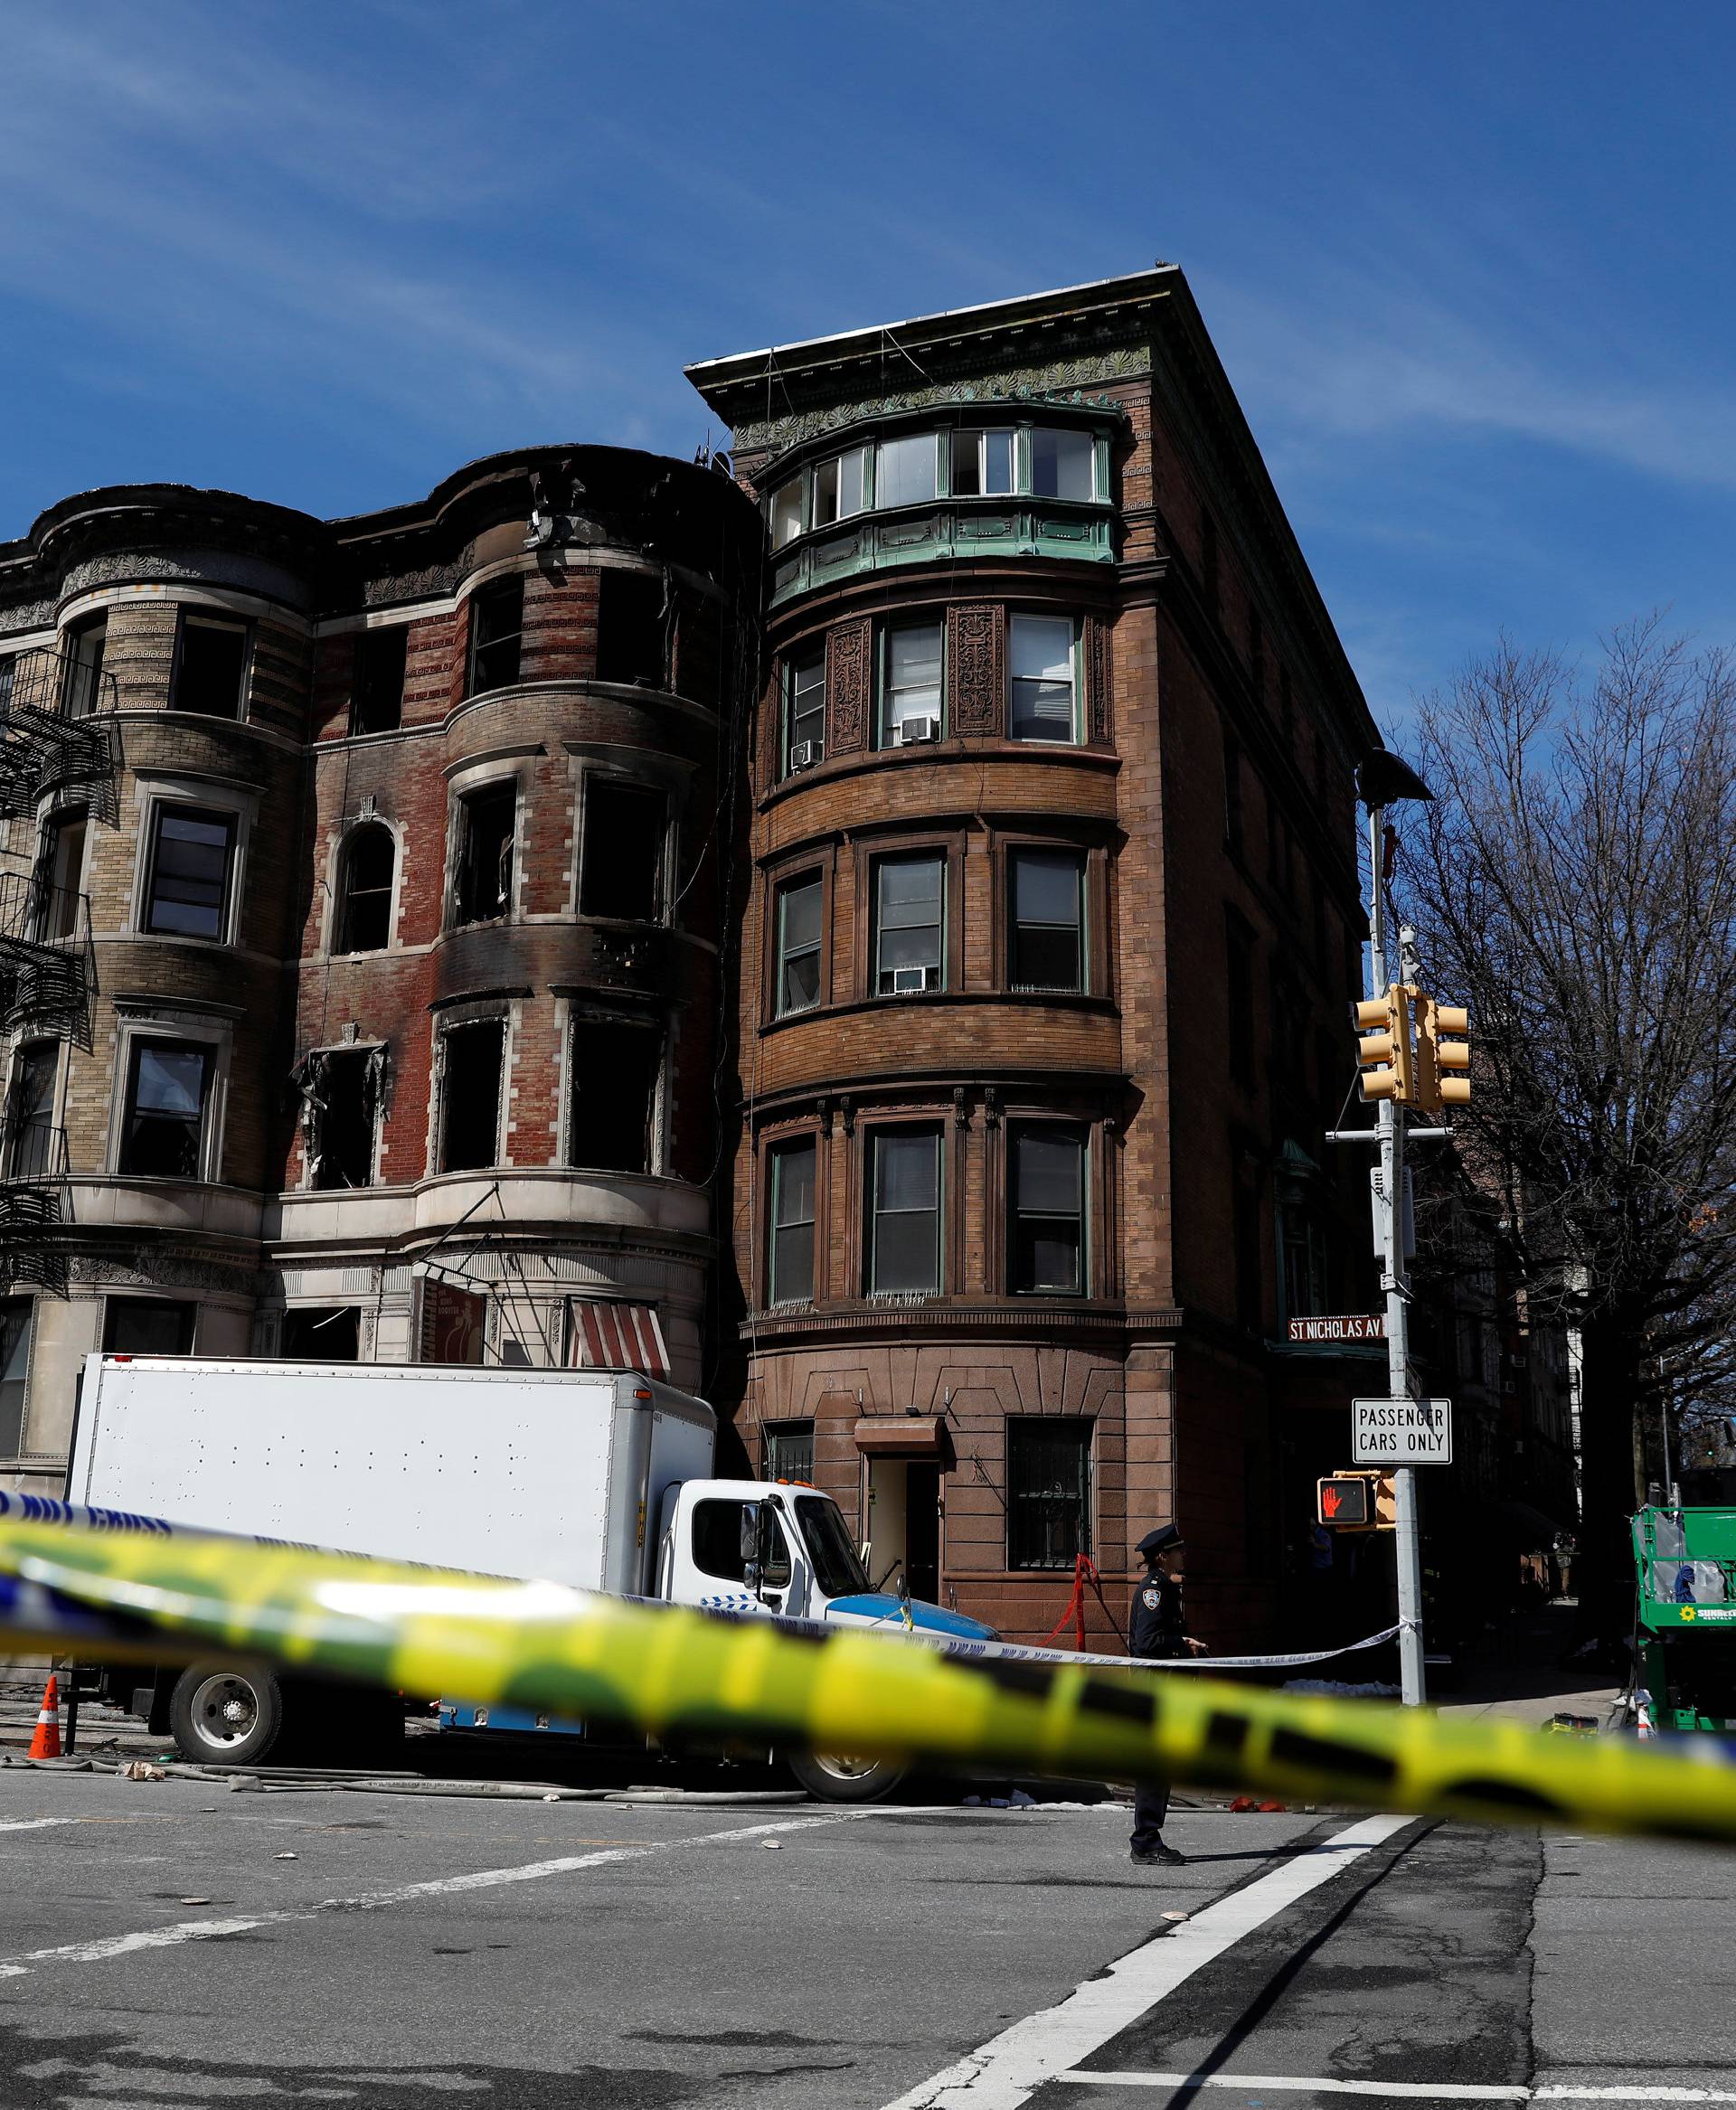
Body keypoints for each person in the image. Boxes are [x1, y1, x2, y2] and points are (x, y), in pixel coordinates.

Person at [1127, 1522, 1207, 1867]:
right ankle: (1145, 1842)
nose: (1182, 1554)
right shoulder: (1154, 1590)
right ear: (1163, 1556)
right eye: (1178, 1550)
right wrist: (1182, 1644)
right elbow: (1147, 1643)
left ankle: (1148, 1839)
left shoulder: (1167, 1588)